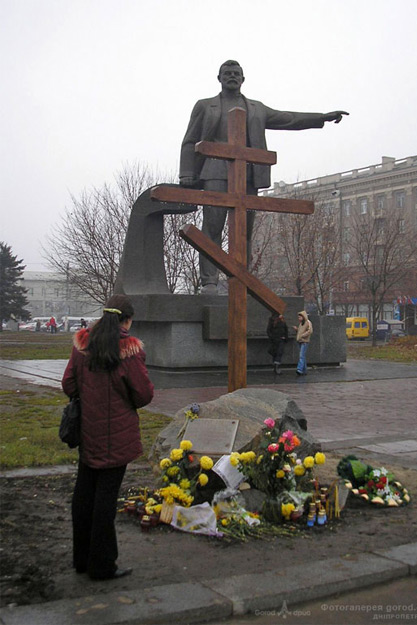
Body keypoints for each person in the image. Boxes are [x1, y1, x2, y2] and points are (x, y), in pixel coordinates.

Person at [180, 59, 348, 293]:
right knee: (212, 227)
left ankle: (241, 279)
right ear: (219, 78)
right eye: (227, 73)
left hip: (247, 174)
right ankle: (209, 281)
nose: (232, 76)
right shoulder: (205, 106)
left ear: (243, 78)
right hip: (215, 170)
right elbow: (190, 140)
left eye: (236, 73)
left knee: (244, 231)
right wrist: (186, 173)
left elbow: (288, 118)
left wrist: (321, 117)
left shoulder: (256, 108)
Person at [62, 294, 154, 580]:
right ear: (127, 320)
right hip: (118, 437)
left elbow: (68, 384)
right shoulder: (128, 350)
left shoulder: (82, 345)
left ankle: (81, 559)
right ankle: (102, 564)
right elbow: (143, 395)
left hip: (88, 433)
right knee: (105, 500)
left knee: (84, 494)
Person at [293, 310, 313, 376]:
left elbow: (310, 331)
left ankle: (299, 369)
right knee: (303, 356)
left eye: (300, 317)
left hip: (304, 341)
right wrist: (297, 330)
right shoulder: (301, 324)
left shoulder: (307, 322)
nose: (299, 319)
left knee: (301, 356)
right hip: (300, 341)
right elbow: (300, 332)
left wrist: (302, 336)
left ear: (303, 317)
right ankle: (304, 370)